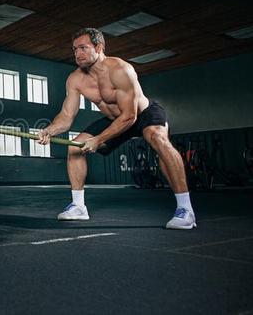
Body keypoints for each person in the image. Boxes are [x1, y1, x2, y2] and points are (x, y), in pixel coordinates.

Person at [38, 28, 196, 229]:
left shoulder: (120, 69)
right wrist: (49, 130)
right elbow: (66, 116)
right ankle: (78, 206)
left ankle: (185, 210)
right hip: (114, 118)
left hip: (143, 113)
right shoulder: (75, 79)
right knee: (74, 146)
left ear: (99, 47)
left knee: (157, 138)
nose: (78, 53)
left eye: (83, 48)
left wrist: (98, 139)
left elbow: (130, 116)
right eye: (75, 49)